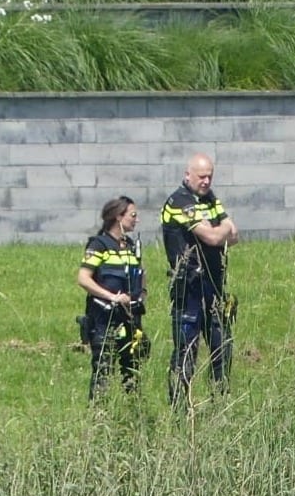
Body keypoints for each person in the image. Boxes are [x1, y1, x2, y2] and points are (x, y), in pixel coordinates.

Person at [161, 153, 238, 405]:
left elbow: (233, 234)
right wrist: (220, 229)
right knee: (186, 352)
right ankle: (180, 408)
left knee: (222, 347)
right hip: (189, 289)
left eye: (209, 177)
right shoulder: (179, 201)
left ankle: (221, 401)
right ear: (187, 175)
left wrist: (220, 229)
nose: (206, 181)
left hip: (214, 286)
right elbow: (214, 238)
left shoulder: (210, 199)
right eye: (201, 176)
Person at [77, 195, 148, 401]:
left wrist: (142, 294)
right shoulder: (99, 245)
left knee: (132, 372)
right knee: (103, 372)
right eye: (133, 215)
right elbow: (83, 278)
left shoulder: (131, 245)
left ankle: (132, 416)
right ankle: (100, 420)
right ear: (119, 217)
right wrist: (112, 297)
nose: (137, 219)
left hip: (131, 319)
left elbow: (141, 273)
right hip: (104, 320)